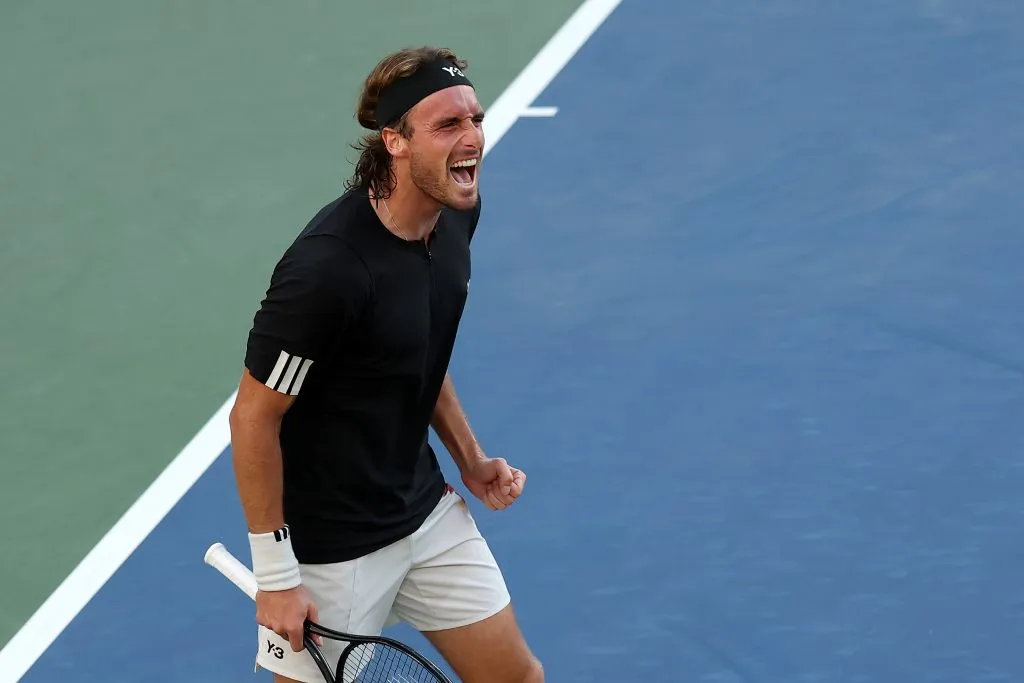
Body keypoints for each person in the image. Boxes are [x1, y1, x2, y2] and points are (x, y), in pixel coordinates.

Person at [227, 45, 544, 683]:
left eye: (475, 119)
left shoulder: (455, 215)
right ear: (395, 142)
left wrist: (470, 459)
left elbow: (417, 348)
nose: (473, 138)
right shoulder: (326, 272)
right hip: (329, 551)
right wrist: (277, 578)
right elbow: (252, 420)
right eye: (448, 125)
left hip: (423, 514)